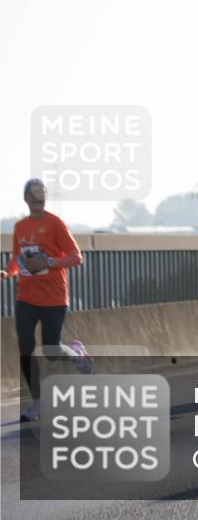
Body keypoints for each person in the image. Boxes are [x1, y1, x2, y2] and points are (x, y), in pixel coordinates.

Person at [1, 179, 93, 422]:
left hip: (53, 298)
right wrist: (7, 272)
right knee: (25, 347)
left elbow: (76, 257)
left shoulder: (56, 224)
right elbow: (16, 260)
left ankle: (77, 354)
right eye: (34, 196)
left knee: (51, 350)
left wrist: (48, 262)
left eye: (41, 195)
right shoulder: (20, 227)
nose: (38, 199)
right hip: (26, 297)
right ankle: (38, 402)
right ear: (26, 199)